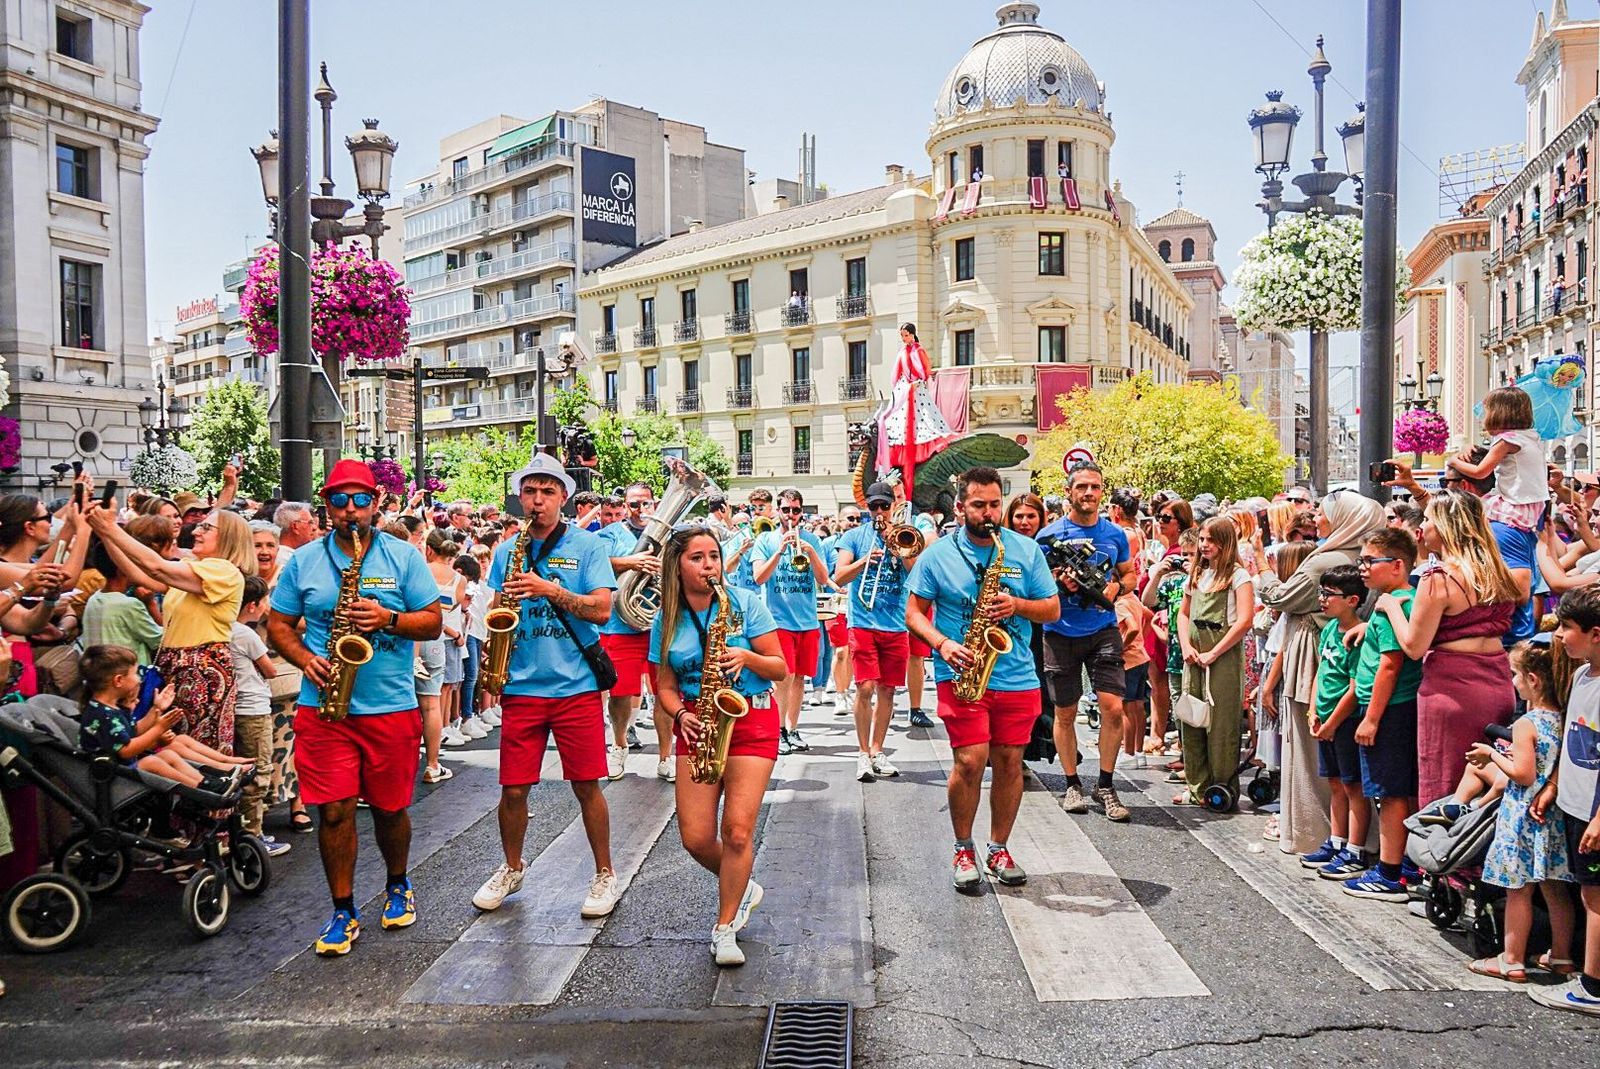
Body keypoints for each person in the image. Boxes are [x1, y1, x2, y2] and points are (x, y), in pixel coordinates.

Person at [266, 459, 444, 957]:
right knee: (336, 811)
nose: (350, 509)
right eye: (340, 500)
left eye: (360, 500)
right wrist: (305, 659)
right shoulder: (303, 561)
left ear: (376, 504)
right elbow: (279, 624)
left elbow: (431, 622)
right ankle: (342, 909)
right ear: (327, 506)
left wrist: (387, 618)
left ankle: (397, 882)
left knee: (390, 808)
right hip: (325, 706)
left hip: (390, 703)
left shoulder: (403, 556)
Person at [471, 452, 621, 922]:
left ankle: (604, 872)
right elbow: (497, 613)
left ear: (564, 498)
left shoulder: (588, 546)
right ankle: (512, 867)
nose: (537, 500)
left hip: (574, 685)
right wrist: (491, 667)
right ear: (521, 497)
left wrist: (550, 590)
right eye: (530, 492)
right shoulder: (505, 549)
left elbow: (601, 611)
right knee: (513, 789)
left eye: (547, 492)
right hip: (522, 687)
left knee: (586, 785)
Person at [906, 466, 1060, 892]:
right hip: (961, 671)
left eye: (995, 504)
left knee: (1010, 763)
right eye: (979, 505)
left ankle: (999, 847)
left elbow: (1052, 608)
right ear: (960, 508)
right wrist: (942, 644)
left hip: (1016, 674)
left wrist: (1018, 605)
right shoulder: (937, 554)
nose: (989, 513)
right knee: (970, 761)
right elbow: (914, 613)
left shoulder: (1025, 551)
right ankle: (962, 847)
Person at [649, 526, 787, 965]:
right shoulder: (665, 618)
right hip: (698, 724)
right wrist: (680, 714)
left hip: (752, 717)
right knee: (694, 838)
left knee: (738, 830)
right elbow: (664, 686)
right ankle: (741, 883)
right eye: (697, 558)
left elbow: (780, 666)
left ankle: (724, 926)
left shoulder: (745, 602)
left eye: (713, 556)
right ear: (678, 565)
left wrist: (747, 657)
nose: (709, 565)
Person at [1257, 491, 1385, 856]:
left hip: (1316, 660)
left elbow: (1280, 597)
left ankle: (1316, 833)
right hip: (1334, 657)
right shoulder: (1361, 558)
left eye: (1325, 513)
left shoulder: (1326, 560)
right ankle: (1341, 838)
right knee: (1334, 761)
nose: (1316, 518)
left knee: (1311, 752)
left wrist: (1262, 566)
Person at [1373, 490, 1519, 806]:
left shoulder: (1439, 578)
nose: (1421, 526)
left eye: (1427, 519)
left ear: (1447, 526)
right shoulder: (1497, 571)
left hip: (1452, 689)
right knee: (1488, 778)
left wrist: (1390, 606)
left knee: (1446, 781)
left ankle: (1446, 851)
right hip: (1497, 679)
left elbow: (1413, 646)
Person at [86, 502, 254, 756]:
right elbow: (140, 574)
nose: (196, 531)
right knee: (177, 747)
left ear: (228, 536)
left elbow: (156, 567)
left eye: (206, 527)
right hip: (181, 670)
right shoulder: (197, 570)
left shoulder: (223, 571)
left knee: (196, 750)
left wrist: (110, 528)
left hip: (199, 672)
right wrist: (106, 534)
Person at [1466, 639, 1576, 982]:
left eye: (1515, 675)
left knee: (1519, 890)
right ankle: (1561, 956)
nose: (1512, 682)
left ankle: (1511, 959)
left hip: (1522, 816)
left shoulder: (1528, 723)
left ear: (1533, 680)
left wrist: (1492, 755)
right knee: (1556, 889)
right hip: (1553, 816)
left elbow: (1523, 773)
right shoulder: (1563, 717)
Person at [1035, 463, 1136, 821]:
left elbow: (1129, 574)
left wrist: (1116, 588)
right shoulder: (1047, 536)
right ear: (1070, 492)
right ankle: (1072, 782)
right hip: (1060, 630)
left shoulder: (1116, 534)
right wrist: (1059, 582)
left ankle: (1106, 784)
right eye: (1082, 487)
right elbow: (1035, 581)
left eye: (1095, 487)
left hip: (1103, 628)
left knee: (1113, 708)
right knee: (1065, 712)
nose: (1089, 493)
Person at [1341, 527, 1422, 902]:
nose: (1363, 568)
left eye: (1370, 561)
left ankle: (1390, 874)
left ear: (1398, 565)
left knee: (1390, 793)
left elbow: (1389, 665)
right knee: (1395, 790)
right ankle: (1401, 863)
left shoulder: (1396, 604)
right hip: (1393, 709)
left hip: (1388, 711)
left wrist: (1371, 718)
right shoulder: (1398, 600)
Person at [1531, 586, 1600, 1015]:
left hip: (1594, 814)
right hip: (1574, 805)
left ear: (1596, 634)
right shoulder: (1580, 676)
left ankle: (1592, 986)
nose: (1559, 637)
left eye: (1567, 629)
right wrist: (1554, 783)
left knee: (1596, 899)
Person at [77, 643, 250, 792]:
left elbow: (135, 730)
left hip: (123, 770)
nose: (139, 679)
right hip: (113, 776)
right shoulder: (102, 714)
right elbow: (127, 749)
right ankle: (202, 788)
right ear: (118, 680)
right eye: (135, 673)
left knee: (170, 750)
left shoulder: (112, 708)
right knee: (154, 761)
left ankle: (217, 773)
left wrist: (156, 709)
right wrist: (158, 729)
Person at [1173, 517, 1254, 806]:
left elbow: (1244, 620)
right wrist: (1185, 646)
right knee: (1191, 719)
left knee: (1221, 723)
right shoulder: (1197, 574)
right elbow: (1183, 614)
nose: (1204, 545)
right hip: (1193, 656)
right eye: (1203, 539)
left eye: (1210, 540)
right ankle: (1197, 786)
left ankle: (1221, 786)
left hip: (1222, 656)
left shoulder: (1237, 576)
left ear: (1224, 542)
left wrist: (1215, 652)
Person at [832, 481, 910, 782]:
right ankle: (862, 753)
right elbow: (839, 576)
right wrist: (865, 560)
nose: (879, 511)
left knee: (888, 689)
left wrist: (899, 548)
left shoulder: (904, 534)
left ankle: (878, 750)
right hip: (863, 621)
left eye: (884, 506)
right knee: (865, 687)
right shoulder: (854, 536)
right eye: (874, 506)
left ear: (892, 507)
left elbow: (915, 570)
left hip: (895, 623)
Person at [1298, 565, 1372, 878]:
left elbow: (1355, 688)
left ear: (1353, 599)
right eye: (1322, 592)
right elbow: (1319, 674)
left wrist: (1332, 722)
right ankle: (1337, 840)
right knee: (1335, 783)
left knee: (1352, 785)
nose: (1323, 599)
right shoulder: (1328, 630)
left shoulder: (1358, 637)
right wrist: (1314, 710)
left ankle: (1355, 849)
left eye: (1330, 594)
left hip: (1346, 721)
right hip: (1324, 718)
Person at [596, 481, 666, 779]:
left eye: (645, 504)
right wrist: (630, 562)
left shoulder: (669, 534)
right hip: (621, 625)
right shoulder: (609, 535)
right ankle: (619, 745)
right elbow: (593, 564)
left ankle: (667, 755)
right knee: (620, 694)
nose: (639, 510)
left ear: (655, 503)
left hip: (660, 623)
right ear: (625, 506)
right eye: (633, 504)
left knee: (665, 692)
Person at [752, 489, 830, 755]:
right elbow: (759, 577)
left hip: (807, 621)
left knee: (799, 679)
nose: (791, 515)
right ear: (778, 511)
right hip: (777, 621)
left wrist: (811, 553)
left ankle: (792, 728)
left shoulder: (812, 540)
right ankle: (778, 732)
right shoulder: (765, 539)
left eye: (796, 510)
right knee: (783, 678)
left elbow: (823, 578)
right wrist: (780, 551)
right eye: (786, 510)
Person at [229, 575, 288, 857]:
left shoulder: (225, 629)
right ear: (253, 605)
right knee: (258, 771)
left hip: (236, 707)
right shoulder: (246, 634)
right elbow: (270, 669)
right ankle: (253, 835)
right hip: (253, 707)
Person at [1449, 388, 1546, 535]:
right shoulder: (1530, 436)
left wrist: (1453, 461)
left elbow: (1480, 472)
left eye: (1486, 412)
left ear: (1497, 413)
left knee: (1468, 515)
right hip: (1534, 503)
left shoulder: (1506, 440)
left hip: (1514, 505)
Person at [881, 323, 958, 501]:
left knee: (925, 422)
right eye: (902, 336)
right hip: (904, 390)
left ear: (912, 335)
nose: (903, 338)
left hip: (916, 390)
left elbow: (925, 371)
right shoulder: (902, 352)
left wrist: (916, 383)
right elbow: (897, 373)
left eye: (905, 335)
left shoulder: (918, 350)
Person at [80, 541, 162, 665]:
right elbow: (159, 640)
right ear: (123, 569)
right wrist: (151, 604)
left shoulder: (94, 599)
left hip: (99, 676)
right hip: (127, 677)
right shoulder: (129, 604)